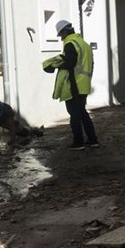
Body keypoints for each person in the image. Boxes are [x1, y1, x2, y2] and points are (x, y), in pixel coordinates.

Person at [42, 20, 100, 150]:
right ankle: (92, 139)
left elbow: (70, 64)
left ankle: (78, 142)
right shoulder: (83, 43)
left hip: (74, 84)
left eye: (60, 35)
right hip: (84, 84)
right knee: (82, 113)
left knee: (74, 114)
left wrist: (55, 65)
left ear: (64, 32)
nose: (60, 38)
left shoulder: (70, 44)